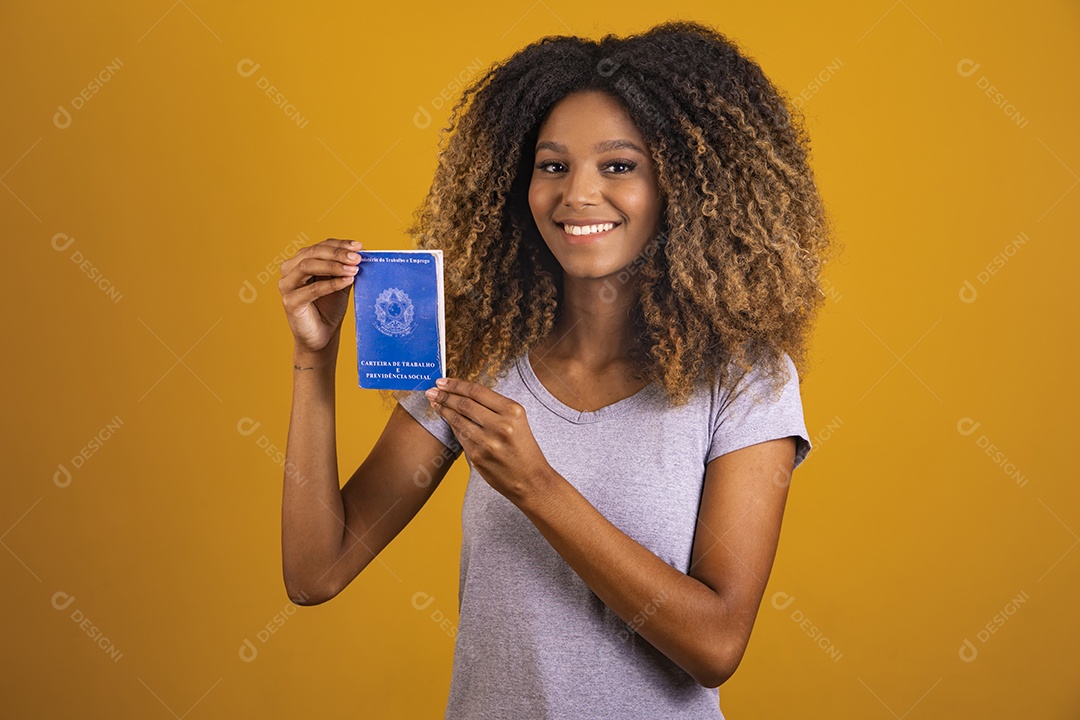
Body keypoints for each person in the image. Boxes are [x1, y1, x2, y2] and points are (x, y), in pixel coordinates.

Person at [277, 19, 835, 719]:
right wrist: (312, 359)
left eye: (619, 165)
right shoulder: (475, 354)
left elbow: (716, 644)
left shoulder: (747, 380)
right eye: (553, 165)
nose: (578, 194)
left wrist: (538, 486)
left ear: (680, 184)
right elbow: (315, 569)